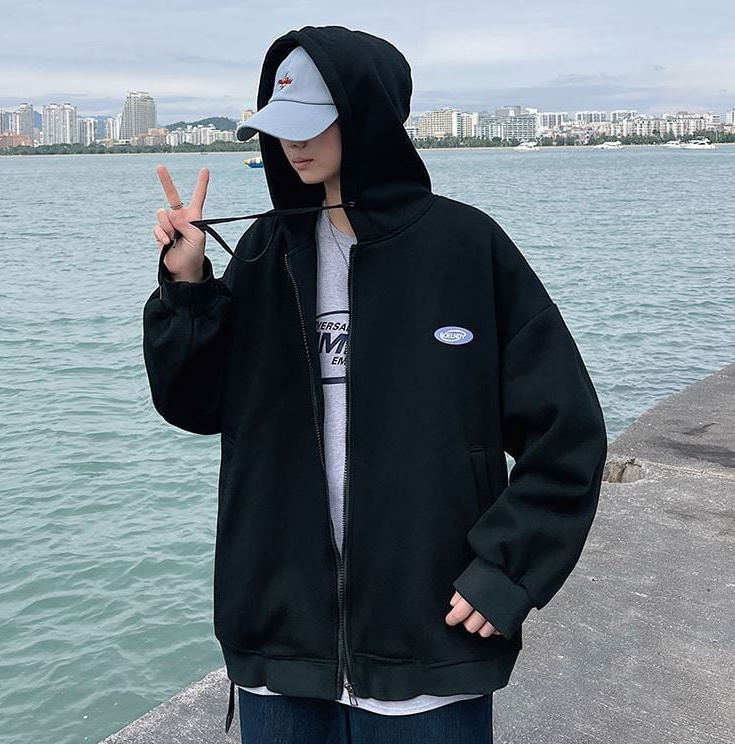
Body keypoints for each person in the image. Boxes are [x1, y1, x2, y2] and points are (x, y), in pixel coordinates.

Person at [143, 25, 607, 744]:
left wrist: (507, 570)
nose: (294, 144)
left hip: (429, 636)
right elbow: (194, 404)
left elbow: (566, 430)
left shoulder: (465, 247)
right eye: (281, 125)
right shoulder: (264, 252)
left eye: (313, 122)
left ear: (368, 115)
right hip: (280, 643)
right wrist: (188, 286)